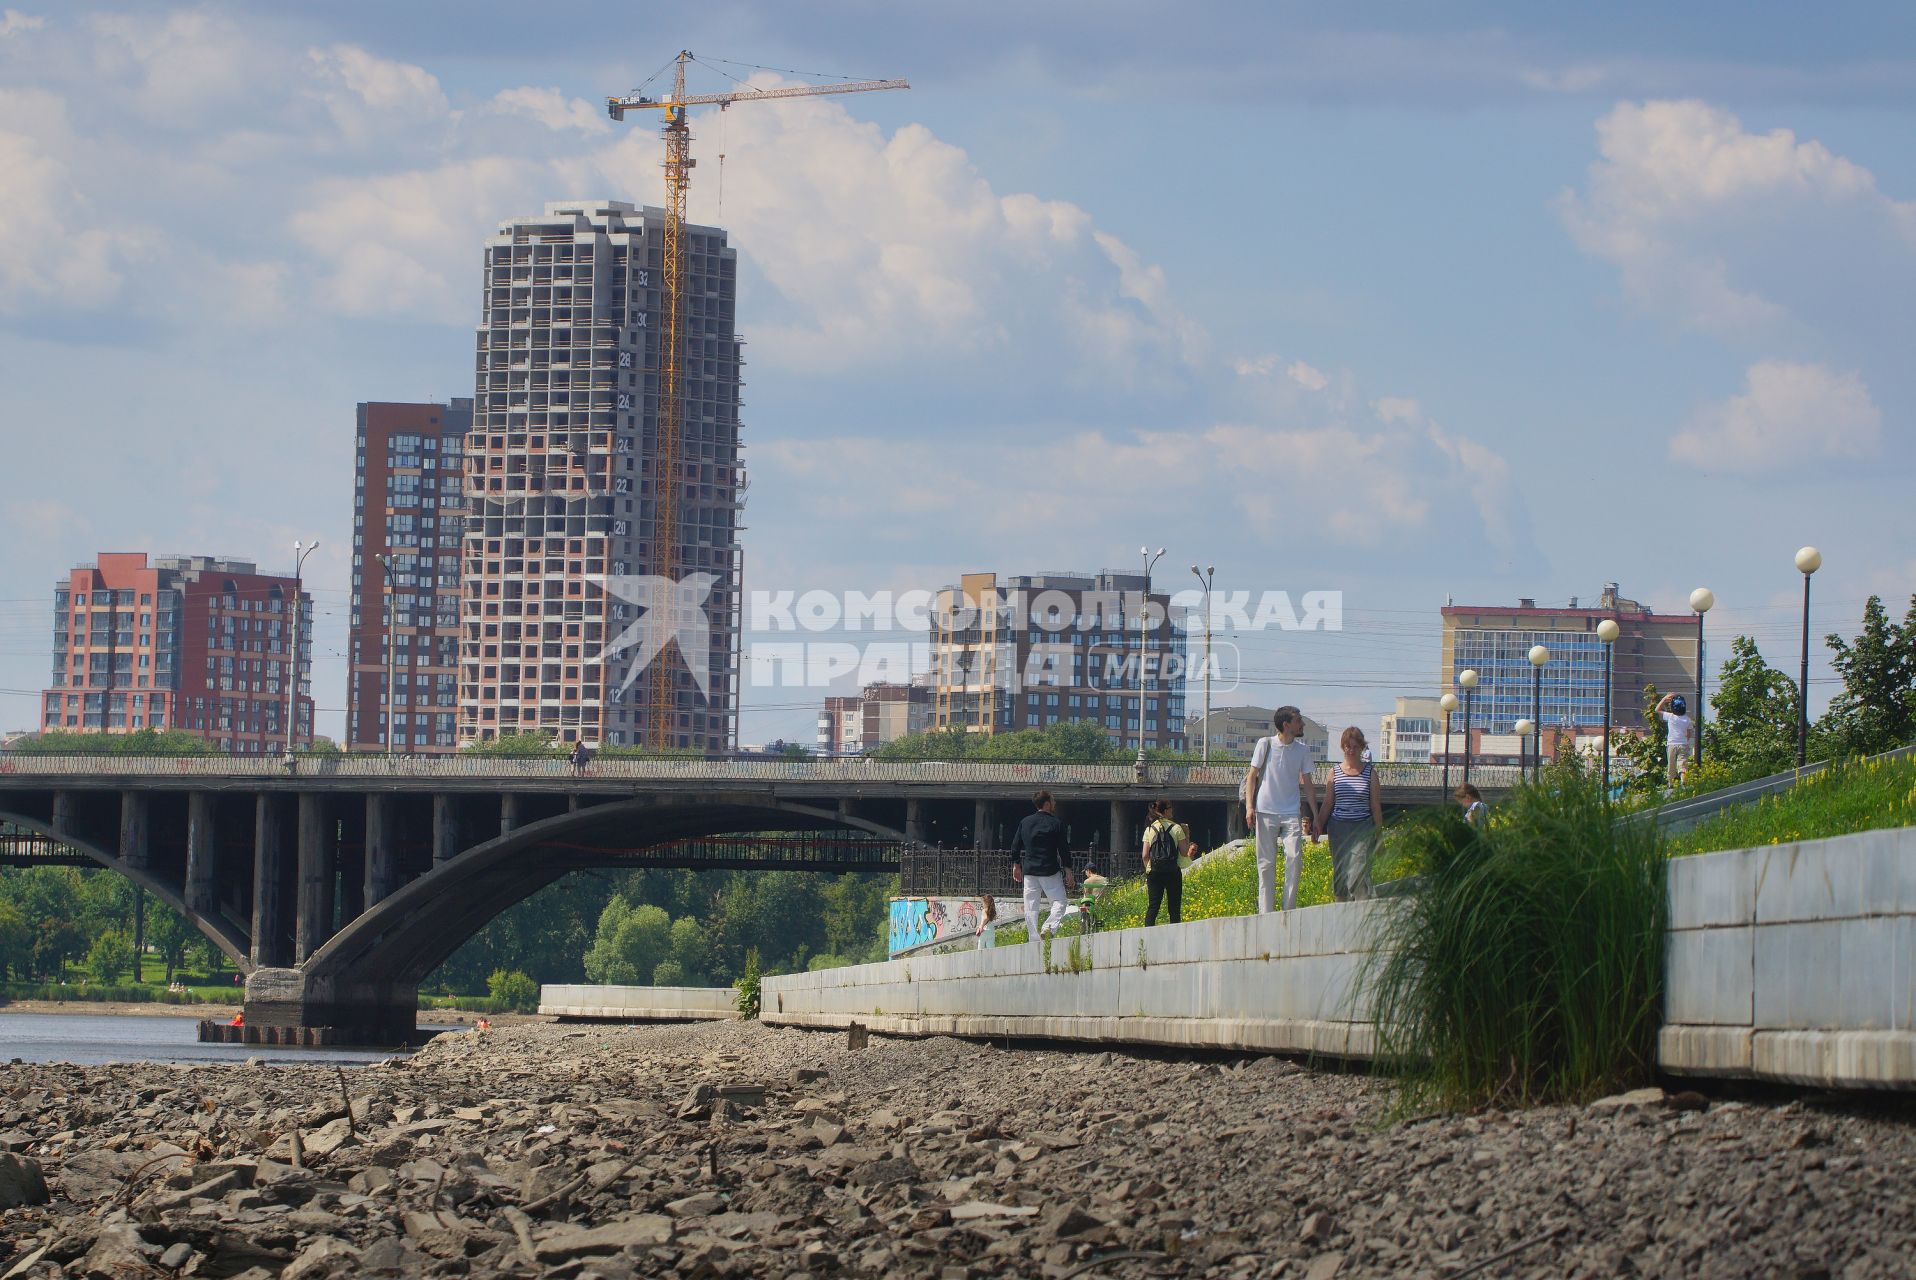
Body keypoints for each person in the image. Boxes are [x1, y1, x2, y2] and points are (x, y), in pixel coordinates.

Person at [1244, 706, 1320, 912]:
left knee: (1295, 857)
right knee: (1266, 864)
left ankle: (1288, 909)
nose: (1302, 724)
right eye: (1299, 720)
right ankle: (1266, 914)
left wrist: (1316, 815)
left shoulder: (1302, 750)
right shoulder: (1265, 744)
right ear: (1286, 725)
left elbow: (1308, 784)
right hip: (1266, 810)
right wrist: (1249, 807)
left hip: (1290, 812)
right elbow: (1252, 776)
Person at [1316, 727, 1381, 902]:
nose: (1351, 751)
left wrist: (1379, 834)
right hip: (1338, 826)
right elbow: (1328, 802)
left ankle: (1361, 904)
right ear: (1343, 747)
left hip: (1362, 826)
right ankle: (1341, 904)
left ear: (1361, 748)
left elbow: (1375, 806)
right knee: (1340, 868)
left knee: (1358, 868)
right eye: (1347, 746)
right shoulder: (1334, 772)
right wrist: (1318, 826)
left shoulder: (1370, 773)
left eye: (1355, 747)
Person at [1009, 790, 1075, 940]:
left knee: (1031, 907)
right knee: (1060, 902)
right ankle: (1048, 927)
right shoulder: (1056, 823)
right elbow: (1063, 849)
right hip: (1049, 870)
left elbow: (1015, 845)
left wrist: (1016, 864)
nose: (1055, 803)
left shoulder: (1025, 822)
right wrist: (1068, 870)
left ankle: (1034, 940)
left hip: (1030, 872)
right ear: (1047, 804)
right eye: (1053, 800)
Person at [1142, 799, 1197, 926]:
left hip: (1154, 872)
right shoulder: (1177, 828)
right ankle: (1176, 937)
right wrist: (1187, 833)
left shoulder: (1150, 829)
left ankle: (1146, 937)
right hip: (1172, 871)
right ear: (1166, 811)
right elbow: (1184, 852)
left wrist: (1149, 869)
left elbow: (1145, 855)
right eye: (1170, 808)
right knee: (1174, 908)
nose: (1172, 810)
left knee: (1153, 907)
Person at [1654, 693, 1693, 785]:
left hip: (1671, 744)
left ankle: (1670, 782)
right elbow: (1689, 733)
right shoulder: (1687, 719)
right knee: (1682, 762)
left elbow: (1657, 709)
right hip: (1683, 743)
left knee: (1671, 763)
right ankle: (1683, 778)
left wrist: (1664, 699)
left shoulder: (1670, 716)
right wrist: (1686, 740)